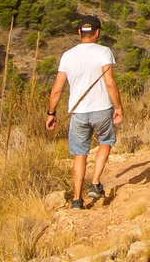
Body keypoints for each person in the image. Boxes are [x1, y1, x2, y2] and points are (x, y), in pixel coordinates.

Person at [44, 16, 122, 208]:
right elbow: (110, 83)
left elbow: (56, 90)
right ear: (97, 32)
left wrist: (51, 113)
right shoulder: (104, 52)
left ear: (79, 33)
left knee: (80, 154)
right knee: (105, 141)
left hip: (78, 112)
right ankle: (95, 182)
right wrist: (118, 107)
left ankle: (77, 199)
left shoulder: (67, 56)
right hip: (102, 108)